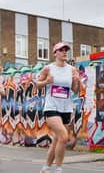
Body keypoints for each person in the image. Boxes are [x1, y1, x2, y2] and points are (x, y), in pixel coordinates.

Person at [37, 42, 80, 173]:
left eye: (66, 50)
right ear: (55, 53)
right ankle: (59, 168)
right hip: (51, 108)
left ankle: (46, 167)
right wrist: (46, 82)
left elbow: (75, 90)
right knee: (63, 137)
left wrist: (76, 81)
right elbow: (37, 84)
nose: (64, 52)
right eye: (61, 50)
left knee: (57, 140)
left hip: (66, 108)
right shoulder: (48, 68)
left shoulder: (72, 69)